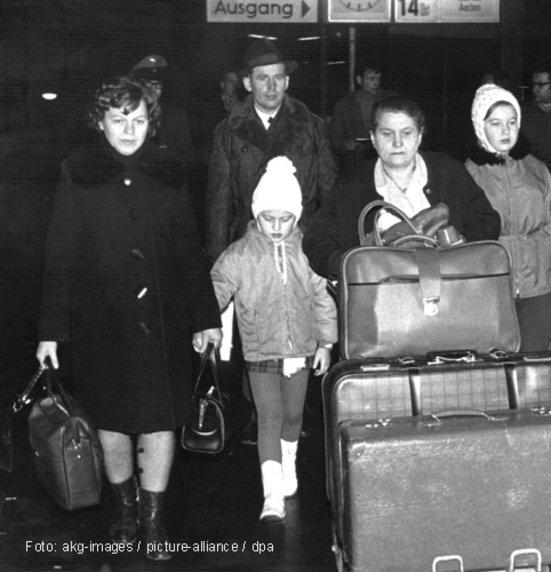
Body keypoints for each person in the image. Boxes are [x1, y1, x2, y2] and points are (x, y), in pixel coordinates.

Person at [35, 76, 222, 562]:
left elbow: (189, 249)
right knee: (112, 421)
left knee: (161, 419)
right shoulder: (78, 172)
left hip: (162, 317)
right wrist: (50, 331)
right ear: (100, 121)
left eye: (139, 119)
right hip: (102, 320)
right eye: (119, 118)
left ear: (150, 123)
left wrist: (206, 317)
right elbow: (59, 253)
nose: (129, 128)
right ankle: (124, 510)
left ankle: (154, 520)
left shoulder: (169, 171)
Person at [211, 156, 337, 523]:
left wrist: (326, 344)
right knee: (269, 417)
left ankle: (288, 464)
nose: (277, 226)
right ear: (256, 214)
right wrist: (204, 323)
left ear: (297, 216)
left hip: (299, 348)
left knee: (294, 415)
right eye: (269, 218)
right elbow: (216, 288)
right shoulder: (241, 254)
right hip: (259, 349)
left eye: (286, 219)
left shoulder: (307, 251)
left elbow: (322, 298)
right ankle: (272, 493)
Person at [303, 95, 501, 279]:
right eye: (387, 134)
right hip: (384, 301)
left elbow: (487, 219)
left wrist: (462, 250)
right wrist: (348, 264)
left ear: (419, 136)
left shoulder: (448, 171)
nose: (397, 142)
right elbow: (316, 238)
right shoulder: (352, 184)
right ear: (373, 138)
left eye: (406, 133)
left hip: (448, 291)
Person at [464, 84, 551, 352]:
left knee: (534, 362)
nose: (506, 131)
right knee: (496, 366)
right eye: (495, 123)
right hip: (491, 284)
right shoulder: (468, 174)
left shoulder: (536, 168)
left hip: (538, 284)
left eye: (512, 122)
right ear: (479, 127)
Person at [205, 39, 338, 262]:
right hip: (249, 247)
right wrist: (218, 263)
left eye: (277, 78)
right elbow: (219, 205)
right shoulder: (228, 132)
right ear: (248, 83)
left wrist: (331, 254)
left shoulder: (313, 128)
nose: (271, 87)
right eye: (262, 78)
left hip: (303, 245)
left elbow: (329, 196)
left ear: (287, 82)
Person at [330, 59, 396, 171]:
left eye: (378, 78)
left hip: (386, 161)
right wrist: (346, 145)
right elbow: (335, 138)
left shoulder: (390, 100)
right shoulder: (344, 106)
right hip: (356, 163)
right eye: (371, 79)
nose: (376, 83)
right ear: (359, 80)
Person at [130, 54, 196, 167]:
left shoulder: (175, 116)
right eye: (148, 84)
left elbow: (187, 158)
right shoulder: (125, 114)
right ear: (136, 86)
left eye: (158, 84)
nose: (154, 89)